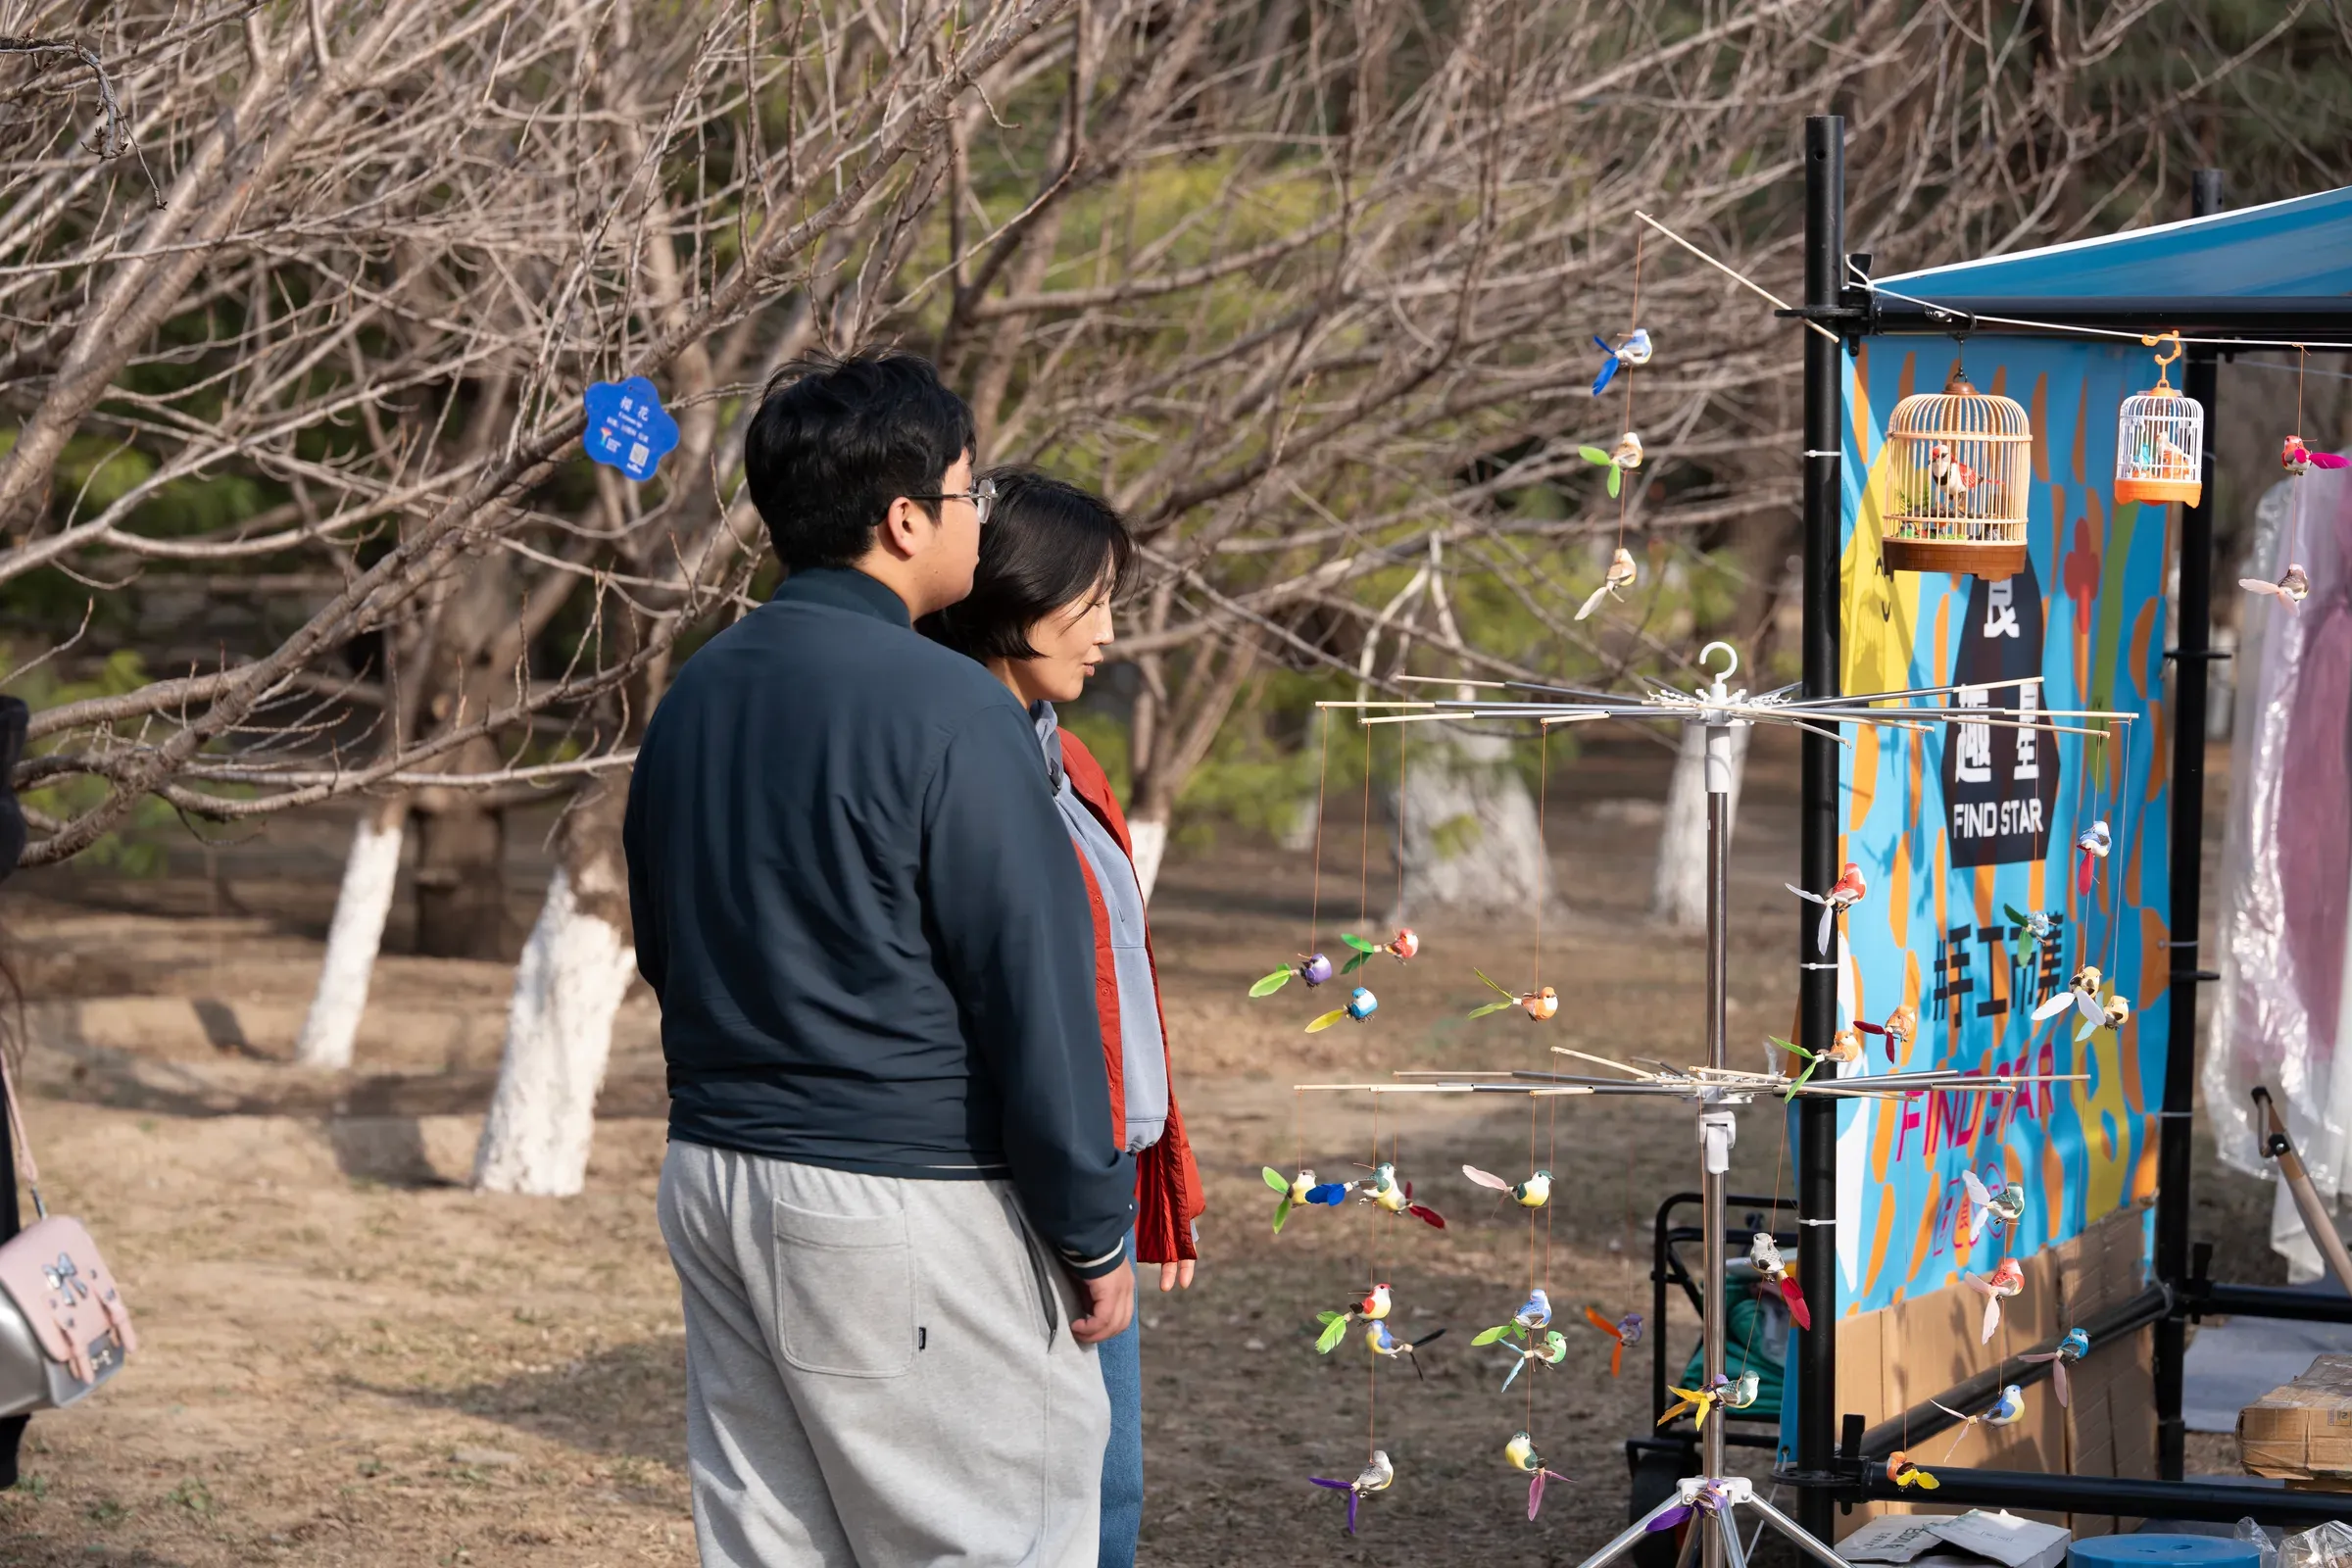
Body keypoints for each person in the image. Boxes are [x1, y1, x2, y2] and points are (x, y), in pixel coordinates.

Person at [625, 353, 1134, 1568]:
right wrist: (1094, 1229)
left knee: (778, 1546)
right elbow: (1034, 994)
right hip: (896, 1196)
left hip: (715, 1174)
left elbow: (662, 941)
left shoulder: (698, 690)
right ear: (905, 521)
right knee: (996, 1539)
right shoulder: (949, 708)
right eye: (969, 494)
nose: (978, 517)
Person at [920, 472, 1204, 1568]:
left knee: (1109, 1488)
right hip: (1012, 1177)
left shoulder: (1066, 754)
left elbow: (1119, 983)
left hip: (1099, 1170)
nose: (1110, 634)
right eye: (1088, 603)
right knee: (1037, 1493)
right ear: (1009, 594)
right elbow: (1014, 998)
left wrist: (1155, 1173)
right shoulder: (962, 758)